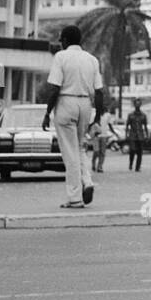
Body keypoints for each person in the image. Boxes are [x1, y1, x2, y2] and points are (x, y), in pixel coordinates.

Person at [41, 25, 105, 209]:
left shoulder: (60, 57)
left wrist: (47, 113)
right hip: (86, 103)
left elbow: (55, 88)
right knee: (79, 148)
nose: (60, 44)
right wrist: (97, 117)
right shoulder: (92, 60)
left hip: (66, 102)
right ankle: (88, 181)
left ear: (66, 41)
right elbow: (99, 92)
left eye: (61, 40)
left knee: (69, 153)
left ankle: (75, 198)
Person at [124, 99, 148, 172]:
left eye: (139, 104)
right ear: (134, 105)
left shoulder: (143, 115)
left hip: (140, 136)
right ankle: (131, 163)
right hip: (133, 135)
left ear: (140, 105)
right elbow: (127, 126)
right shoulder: (130, 115)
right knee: (132, 150)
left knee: (140, 152)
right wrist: (126, 135)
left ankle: (138, 167)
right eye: (136, 104)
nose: (137, 105)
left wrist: (147, 135)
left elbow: (145, 126)